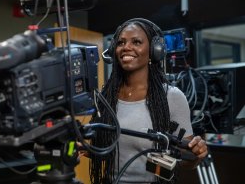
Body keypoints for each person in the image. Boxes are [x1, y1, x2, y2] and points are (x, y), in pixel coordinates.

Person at [85, 18, 208, 184]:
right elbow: (101, 148)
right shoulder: (105, 96)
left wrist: (196, 155)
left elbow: (185, 161)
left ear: (154, 50)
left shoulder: (171, 97)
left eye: (136, 42)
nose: (126, 47)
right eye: (121, 42)